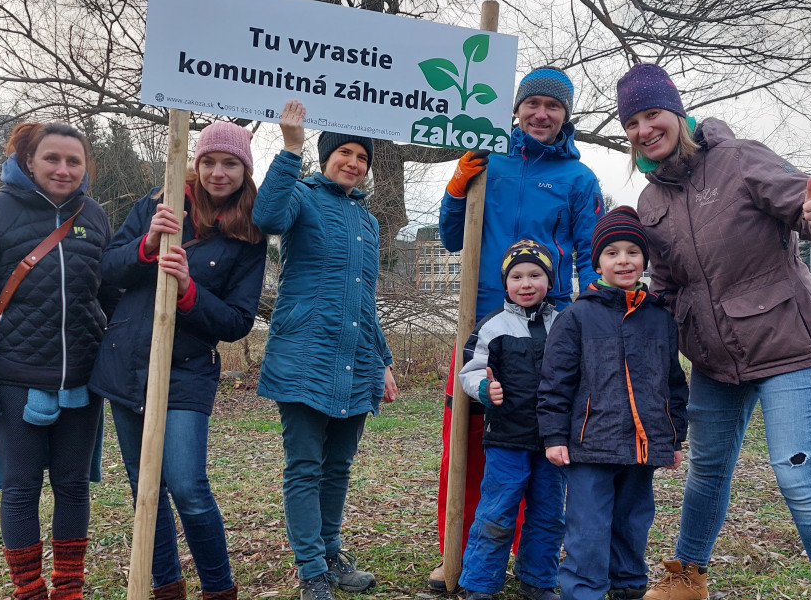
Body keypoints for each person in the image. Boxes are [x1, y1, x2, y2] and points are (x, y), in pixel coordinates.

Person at [614, 63, 811, 600]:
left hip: (790, 348)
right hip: (713, 359)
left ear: (677, 115)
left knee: (799, 479)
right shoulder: (651, 202)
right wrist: (623, 307)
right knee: (706, 471)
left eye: (652, 114)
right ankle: (688, 578)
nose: (643, 129)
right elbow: (666, 282)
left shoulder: (738, 160)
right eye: (632, 121)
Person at [429, 67, 605, 591]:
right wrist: (457, 189)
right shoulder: (489, 162)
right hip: (483, 325)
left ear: (566, 115)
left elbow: (592, 259)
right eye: (533, 104)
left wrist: (593, 319)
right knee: (464, 445)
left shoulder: (579, 179)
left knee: (538, 446)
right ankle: (454, 555)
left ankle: (532, 563)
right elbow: (452, 237)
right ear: (517, 109)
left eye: (554, 107)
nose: (542, 115)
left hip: (549, 332)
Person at [89, 122, 268, 600]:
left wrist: (189, 289)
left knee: (187, 485)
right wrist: (147, 244)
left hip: (188, 367)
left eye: (230, 163)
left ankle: (218, 589)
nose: (217, 172)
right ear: (196, 163)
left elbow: (236, 321)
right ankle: (165, 585)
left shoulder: (250, 235)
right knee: (143, 486)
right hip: (126, 358)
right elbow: (106, 266)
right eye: (209, 161)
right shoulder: (159, 202)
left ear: (245, 170)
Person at [0, 121, 112, 600]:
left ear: (85, 168)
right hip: (14, 381)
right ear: (29, 162)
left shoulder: (95, 216)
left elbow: (115, 291)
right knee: (20, 490)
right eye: (53, 159)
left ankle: (68, 590)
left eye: (74, 161)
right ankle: (29, 590)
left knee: (73, 487)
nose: (63, 169)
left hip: (81, 383)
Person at [252, 100, 398, 600]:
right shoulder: (300, 196)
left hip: (356, 361)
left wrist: (383, 362)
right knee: (304, 466)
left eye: (362, 156)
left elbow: (366, 300)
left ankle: (331, 553)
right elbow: (266, 215)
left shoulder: (368, 223)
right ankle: (311, 569)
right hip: (304, 358)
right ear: (326, 155)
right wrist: (291, 147)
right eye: (345, 153)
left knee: (338, 467)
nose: (353, 162)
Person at [538, 206, 689, 600]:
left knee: (632, 522)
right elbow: (555, 382)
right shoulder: (576, 317)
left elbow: (673, 383)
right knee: (587, 528)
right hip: (591, 445)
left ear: (644, 259)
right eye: (612, 252)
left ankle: (628, 588)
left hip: (643, 446)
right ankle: (584, 591)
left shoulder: (659, 318)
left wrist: (672, 439)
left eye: (632, 251)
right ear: (597, 262)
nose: (623, 260)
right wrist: (554, 436)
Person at [456, 240, 566, 600]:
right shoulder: (493, 326)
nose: (526, 283)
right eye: (517, 276)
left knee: (549, 513)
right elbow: (469, 371)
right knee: (498, 510)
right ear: (505, 283)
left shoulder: (565, 324)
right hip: (506, 437)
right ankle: (480, 583)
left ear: (550, 280)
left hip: (553, 441)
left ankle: (537, 579)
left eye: (535, 275)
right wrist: (485, 388)